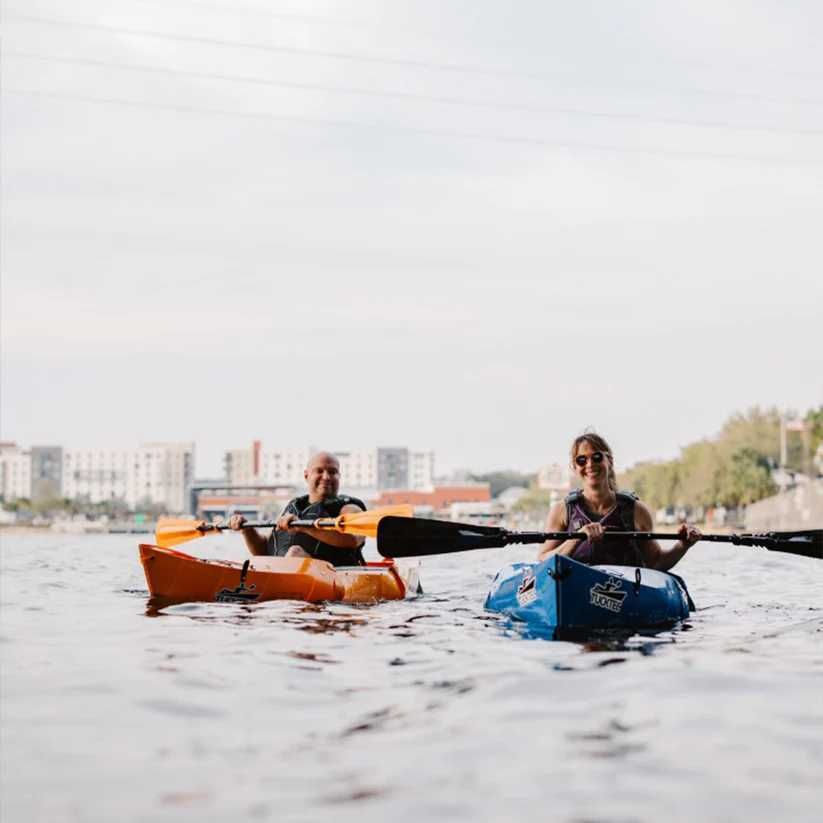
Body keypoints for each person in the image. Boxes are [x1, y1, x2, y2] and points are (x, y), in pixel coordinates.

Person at [537, 432, 701, 571]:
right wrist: (576, 538)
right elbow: (544, 560)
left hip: (621, 593)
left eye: (596, 457)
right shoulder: (562, 511)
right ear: (574, 467)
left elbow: (656, 562)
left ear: (609, 461)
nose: (590, 464)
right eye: (581, 460)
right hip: (572, 584)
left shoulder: (637, 511)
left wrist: (683, 545)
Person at [227, 451, 366, 566]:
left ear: (339, 476)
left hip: (333, 578)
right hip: (283, 574)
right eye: (319, 471)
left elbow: (353, 539)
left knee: (295, 553)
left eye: (332, 472)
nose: (326, 477)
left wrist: (303, 527)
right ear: (306, 475)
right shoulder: (293, 507)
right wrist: (247, 530)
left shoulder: (349, 508)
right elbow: (264, 550)